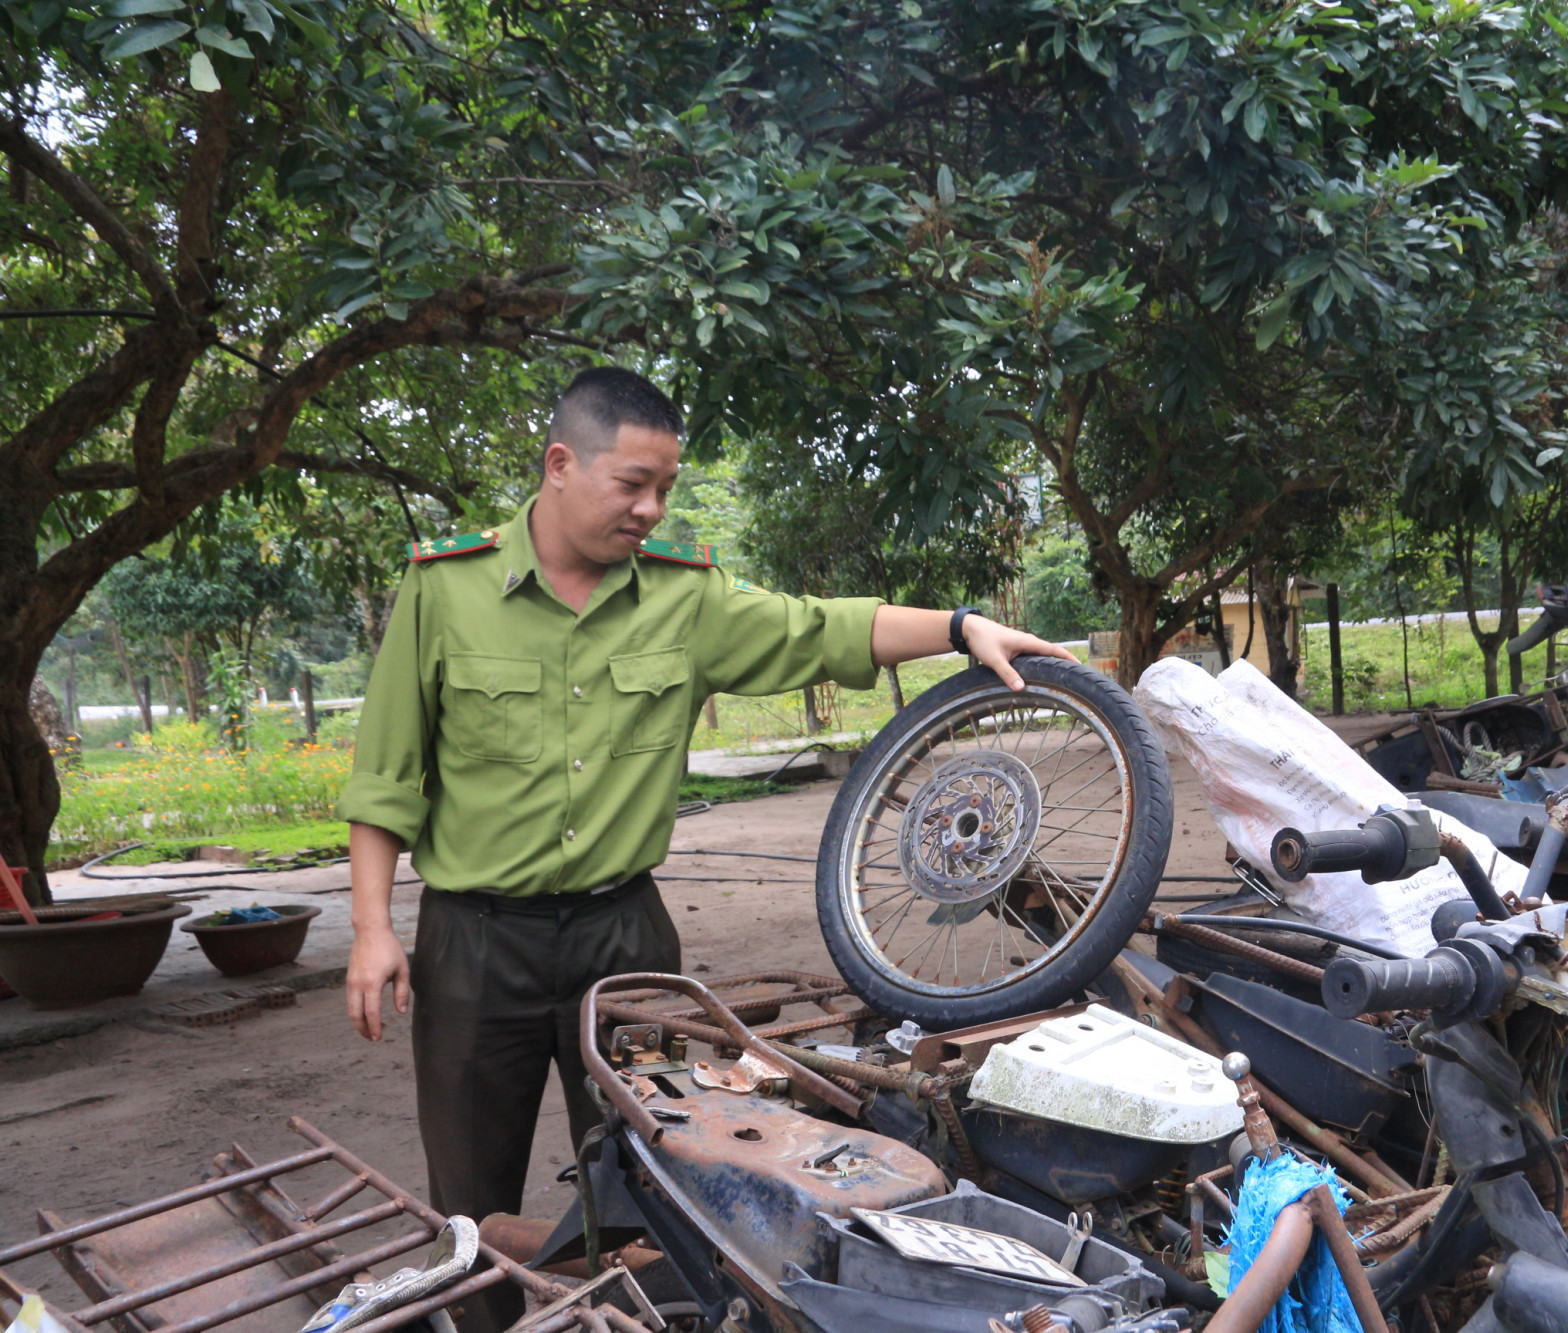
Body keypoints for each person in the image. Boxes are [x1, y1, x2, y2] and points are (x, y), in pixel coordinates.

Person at [335, 366, 1070, 1326]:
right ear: (561, 465)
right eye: (632, 484)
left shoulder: (686, 597)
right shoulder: (447, 588)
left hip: (624, 941)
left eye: (666, 489)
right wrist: (369, 927)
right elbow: (386, 773)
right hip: (476, 944)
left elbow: (819, 629)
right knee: (473, 1204)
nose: (652, 508)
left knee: (663, 1188)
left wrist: (962, 627)